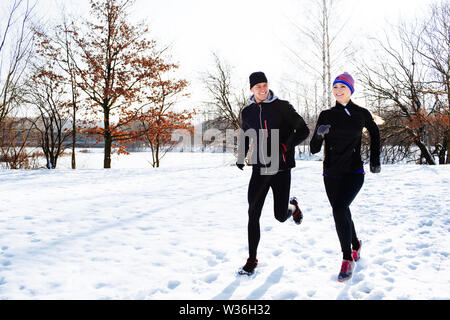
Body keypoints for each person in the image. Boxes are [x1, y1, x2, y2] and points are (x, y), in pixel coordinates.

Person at [236, 71, 310, 275]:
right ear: (251, 89)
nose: (262, 88)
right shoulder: (248, 111)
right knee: (253, 213)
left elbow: (303, 130)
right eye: (257, 86)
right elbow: (244, 132)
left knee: (279, 215)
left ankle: (292, 208)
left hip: (281, 167)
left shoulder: (282, 107)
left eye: (264, 84)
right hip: (260, 168)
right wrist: (241, 156)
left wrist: (285, 147)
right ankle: (252, 259)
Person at [310, 72, 381, 282]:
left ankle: (347, 258)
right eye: (335, 87)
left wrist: (375, 160)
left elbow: (375, 133)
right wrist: (320, 134)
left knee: (339, 208)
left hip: (354, 172)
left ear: (351, 90)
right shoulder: (326, 115)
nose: (338, 91)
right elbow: (314, 149)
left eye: (343, 87)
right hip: (331, 173)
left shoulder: (361, 113)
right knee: (342, 210)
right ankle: (356, 243)